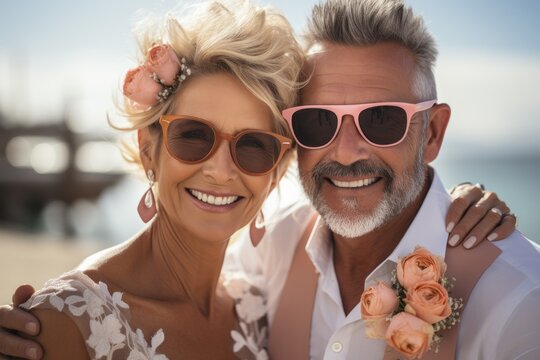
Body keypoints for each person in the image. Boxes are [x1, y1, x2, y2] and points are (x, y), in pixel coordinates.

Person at [0, 0, 518, 359]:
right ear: (148, 148)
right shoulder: (61, 324)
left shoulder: (253, 296)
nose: (221, 169)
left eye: (254, 146)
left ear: (276, 170)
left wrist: (450, 198)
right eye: (192, 136)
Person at [222, 0, 539, 359]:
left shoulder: (522, 301)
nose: (345, 152)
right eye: (318, 122)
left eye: (382, 120)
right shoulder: (272, 246)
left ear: (432, 133)